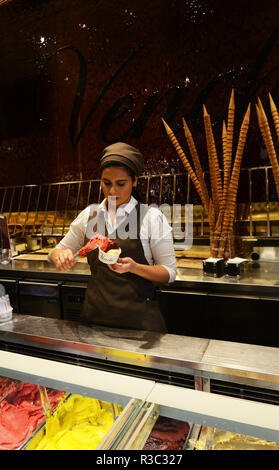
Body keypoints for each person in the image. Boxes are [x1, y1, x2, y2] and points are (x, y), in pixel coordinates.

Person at [49, 142, 177, 332]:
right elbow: (56, 250)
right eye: (106, 183)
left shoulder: (151, 218)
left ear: (134, 181)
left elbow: (169, 273)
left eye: (121, 184)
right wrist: (58, 257)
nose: (112, 192)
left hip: (139, 325)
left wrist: (135, 268)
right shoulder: (89, 215)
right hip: (94, 321)